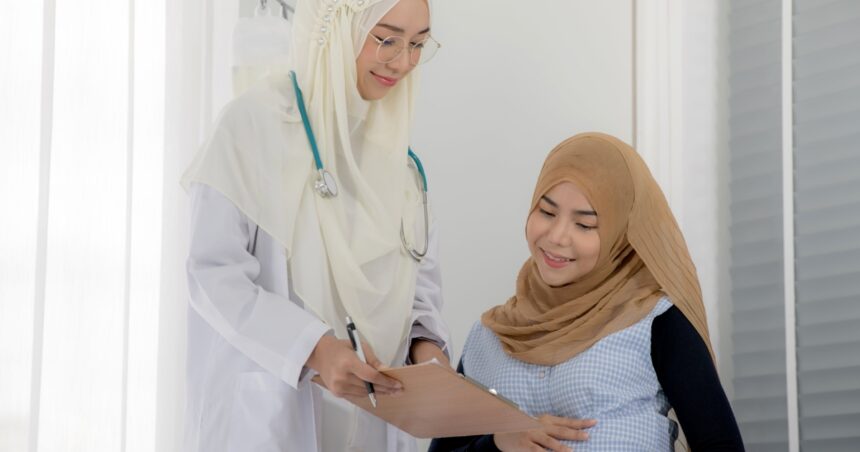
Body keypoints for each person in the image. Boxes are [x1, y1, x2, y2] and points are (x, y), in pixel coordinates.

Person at [180, 0, 449, 450]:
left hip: (372, 419)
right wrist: (314, 348)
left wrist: (427, 351)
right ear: (336, 25)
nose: (403, 62)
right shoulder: (251, 126)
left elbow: (416, 289)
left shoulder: (399, 165)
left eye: (418, 45)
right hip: (272, 418)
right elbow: (213, 274)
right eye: (387, 39)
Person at [430, 133, 744, 451]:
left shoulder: (656, 320)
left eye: (585, 225)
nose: (557, 236)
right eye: (547, 212)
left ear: (621, 233)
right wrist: (498, 444)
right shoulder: (488, 336)